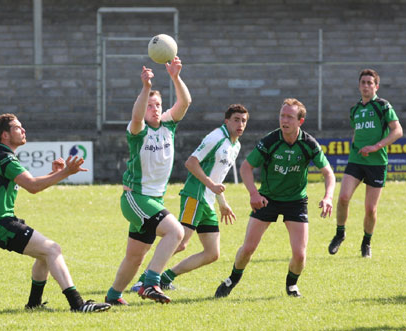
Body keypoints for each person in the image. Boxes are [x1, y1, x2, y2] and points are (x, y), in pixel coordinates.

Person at [0, 114, 110, 313]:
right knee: (52, 249)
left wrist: (53, 174)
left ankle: (33, 304)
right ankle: (78, 304)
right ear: (5, 135)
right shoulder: (4, 158)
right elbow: (33, 186)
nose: (23, 130)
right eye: (17, 128)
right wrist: (66, 172)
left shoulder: (4, 156)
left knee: (44, 254)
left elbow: (30, 182)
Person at [214, 98, 335, 298]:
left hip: (296, 202)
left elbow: (328, 173)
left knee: (300, 254)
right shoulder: (270, 141)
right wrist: (253, 193)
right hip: (267, 199)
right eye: (282, 115)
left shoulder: (309, 144)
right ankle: (232, 279)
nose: (284, 120)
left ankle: (291, 286)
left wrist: (328, 197)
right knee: (248, 248)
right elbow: (246, 167)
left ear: (300, 121)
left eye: (289, 117)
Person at [131, 104, 249, 292]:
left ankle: (166, 277)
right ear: (226, 121)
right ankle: (145, 279)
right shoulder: (216, 137)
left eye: (244, 121)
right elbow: (191, 162)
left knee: (212, 253)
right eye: (236, 120)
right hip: (195, 196)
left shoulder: (235, 145)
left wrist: (223, 203)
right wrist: (211, 186)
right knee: (179, 241)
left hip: (208, 201)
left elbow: (217, 177)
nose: (240, 124)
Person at [104, 56, 191, 305]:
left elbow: (185, 102)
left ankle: (113, 296)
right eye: (151, 105)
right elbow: (136, 116)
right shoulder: (138, 131)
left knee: (135, 256)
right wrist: (145, 88)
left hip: (153, 199)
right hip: (136, 197)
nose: (155, 109)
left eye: (158, 105)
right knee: (175, 232)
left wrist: (175, 77)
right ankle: (151, 282)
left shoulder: (168, 126)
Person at [328, 69, 403, 258]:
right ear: (359, 85)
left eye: (370, 83)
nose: (366, 86)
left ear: (376, 86)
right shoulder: (355, 110)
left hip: (377, 163)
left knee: (370, 209)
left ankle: (366, 242)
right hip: (356, 160)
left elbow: (397, 131)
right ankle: (340, 233)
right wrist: (356, 146)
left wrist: (376, 147)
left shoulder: (383, 106)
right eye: (363, 82)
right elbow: (358, 132)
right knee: (343, 198)